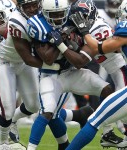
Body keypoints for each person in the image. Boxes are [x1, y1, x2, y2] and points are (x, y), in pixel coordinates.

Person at [25, 0, 116, 149]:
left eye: (61, 13)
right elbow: (48, 59)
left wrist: (61, 42)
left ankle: (108, 131)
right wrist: (63, 39)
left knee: (106, 89)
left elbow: (79, 62)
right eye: (54, 14)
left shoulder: (86, 26)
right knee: (48, 112)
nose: (58, 18)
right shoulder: (38, 24)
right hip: (51, 75)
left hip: (73, 71)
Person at [47, 0, 127, 149]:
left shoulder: (99, 27)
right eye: (77, 17)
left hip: (122, 72)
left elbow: (98, 49)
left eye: (83, 17)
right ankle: (108, 133)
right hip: (116, 72)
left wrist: (81, 35)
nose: (80, 20)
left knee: (99, 119)